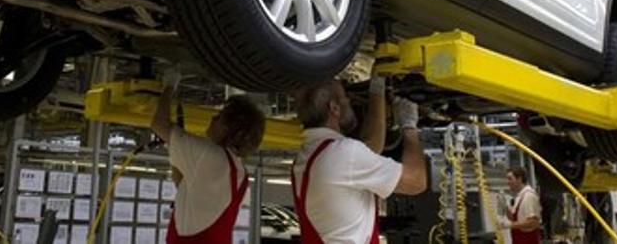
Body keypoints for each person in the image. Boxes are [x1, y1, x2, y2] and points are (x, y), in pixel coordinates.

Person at [290, 76, 428, 243]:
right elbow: (415, 181)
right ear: (334, 108)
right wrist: (409, 126)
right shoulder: (344, 154)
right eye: (345, 98)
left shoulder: (308, 156)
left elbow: (370, 148)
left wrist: (377, 89)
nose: (350, 101)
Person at [150, 81, 266, 243]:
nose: (212, 118)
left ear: (227, 128)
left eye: (218, 117)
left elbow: (159, 124)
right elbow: (183, 184)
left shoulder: (212, 157)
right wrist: (175, 145)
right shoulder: (237, 171)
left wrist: (169, 86)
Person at [501, 166, 542, 244]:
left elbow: (532, 222)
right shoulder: (520, 196)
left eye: (510, 178)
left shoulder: (528, 196)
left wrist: (509, 225)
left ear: (519, 179)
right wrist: (505, 206)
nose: (507, 182)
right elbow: (514, 219)